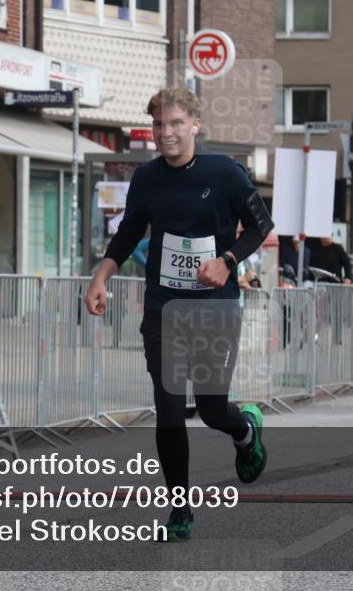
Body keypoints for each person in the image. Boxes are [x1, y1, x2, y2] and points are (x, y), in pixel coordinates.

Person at [82, 87, 272, 542]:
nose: (166, 133)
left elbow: (261, 226)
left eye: (175, 124)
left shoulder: (224, 173)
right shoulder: (146, 179)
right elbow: (129, 233)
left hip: (213, 308)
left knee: (209, 410)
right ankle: (180, 510)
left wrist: (226, 261)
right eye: (159, 125)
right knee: (168, 410)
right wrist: (101, 275)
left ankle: (244, 429)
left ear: (195, 125)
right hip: (164, 307)